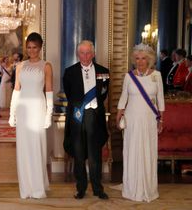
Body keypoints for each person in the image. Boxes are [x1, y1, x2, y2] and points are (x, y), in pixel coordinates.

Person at [116, 43, 165, 202]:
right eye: (137, 58)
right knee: (132, 151)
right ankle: (131, 188)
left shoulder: (156, 76)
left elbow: (160, 100)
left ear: (149, 59)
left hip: (149, 119)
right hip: (132, 119)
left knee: (148, 151)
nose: (140, 61)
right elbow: (124, 97)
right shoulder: (129, 76)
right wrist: (118, 115)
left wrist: (161, 119)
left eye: (143, 58)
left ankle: (148, 188)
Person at [9, 32, 53, 199]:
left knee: (37, 148)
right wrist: (12, 113)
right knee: (24, 148)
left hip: (38, 109)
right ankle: (26, 187)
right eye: (29, 47)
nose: (32, 50)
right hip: (23, 110)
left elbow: (49, 90)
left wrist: (49, 114)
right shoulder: (20, 66)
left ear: (40, 47)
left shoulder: (46, 65)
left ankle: (38, 187)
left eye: (35, 47)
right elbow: (16, 90)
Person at [63, 40, 109, 200]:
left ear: (93, 53)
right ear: (78, 54)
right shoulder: (69, 72)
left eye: (88, 52)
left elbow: (103, 93)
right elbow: (69, 95)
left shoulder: (104, 71)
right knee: (79, 154)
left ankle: (98, 188)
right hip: (77, 117)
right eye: (82, 52)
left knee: (95, 155)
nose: (85, 56)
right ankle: (81, 188)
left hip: (95, 117)